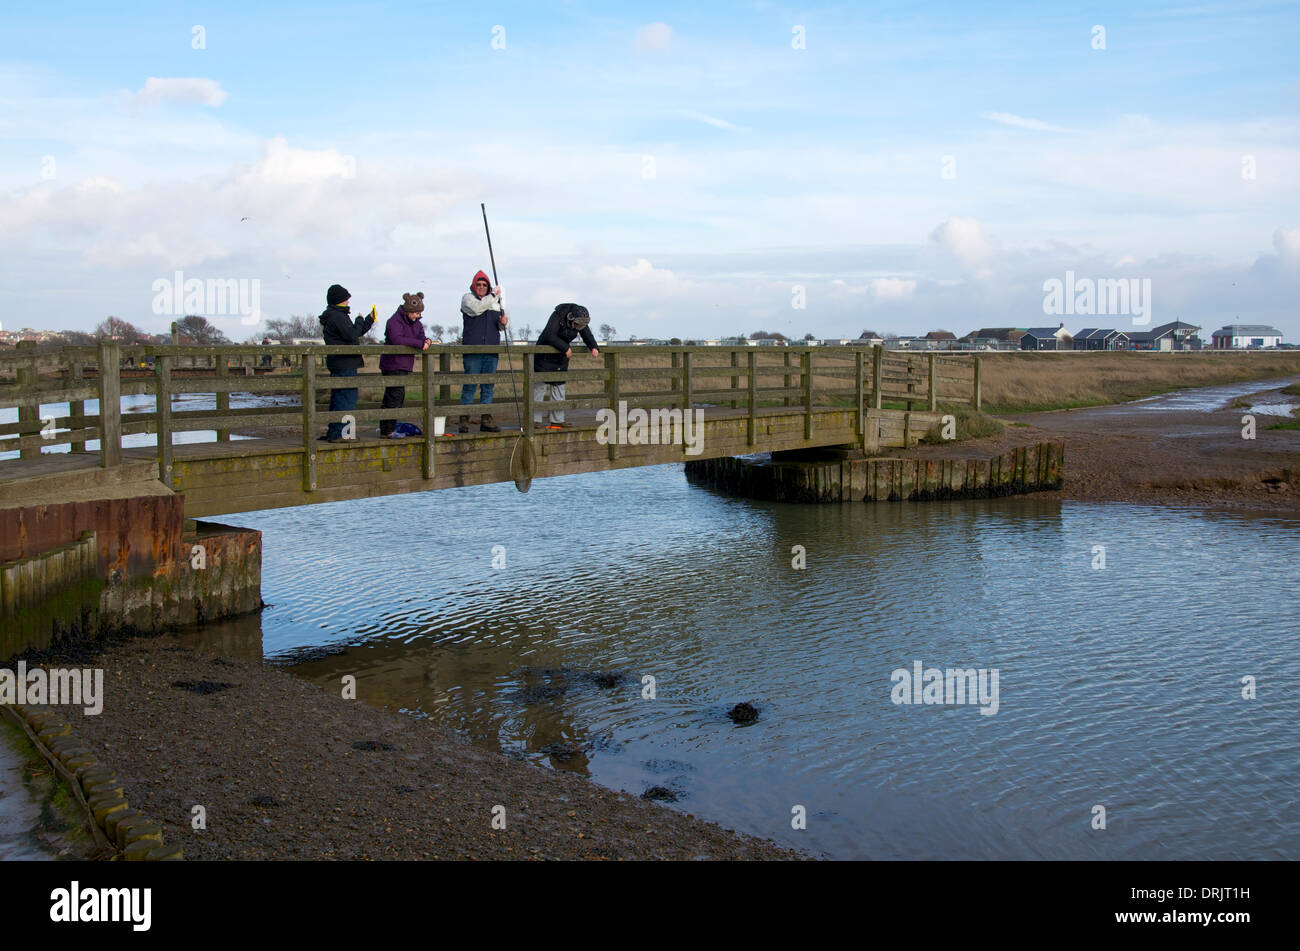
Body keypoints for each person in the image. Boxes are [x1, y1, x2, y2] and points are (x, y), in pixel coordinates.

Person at [317, 284, 377, 442]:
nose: (348, 301)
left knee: (338, 399)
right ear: (340, 300)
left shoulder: (335, 315)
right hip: (345, 363)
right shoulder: (338, 317)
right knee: (346, 399)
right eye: (346, 299)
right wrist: (359, 320)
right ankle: (341, 434)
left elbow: (354, 334)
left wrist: (368, 320)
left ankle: (334, 432)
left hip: (340, 363)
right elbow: (352, 336)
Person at [533, 303, 598, 429]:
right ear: (570, 318)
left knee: (558, 387)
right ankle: (534, 420)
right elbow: (549, 335)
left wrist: (594, 347)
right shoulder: (558, 315)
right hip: (543, 355)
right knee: (538, 388)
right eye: (577, 325)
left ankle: (557, 420)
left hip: (560, 358)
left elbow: (587, 335)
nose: (578, 328)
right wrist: (566, 347)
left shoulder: (580, 320)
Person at [459, 270, 508, 433]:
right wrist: (494, 295)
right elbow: (476, 310)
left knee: (488, 386)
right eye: (478, 284)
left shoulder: (496, 301)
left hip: (491, 350)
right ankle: (464, 420)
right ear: (474, 285)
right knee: (470, 385)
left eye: (484, 285)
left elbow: (503, 324)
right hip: (473, 350)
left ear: (488, 286)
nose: (481, 287)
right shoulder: (468, 298)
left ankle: (486, 420)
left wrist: (503, 322)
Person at [378, 292, 430, 437]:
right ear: (407, 311)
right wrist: (420, 343)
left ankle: (388, 428)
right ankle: (387, 430)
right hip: (392, 364)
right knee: (393, 396)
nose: (417, 316)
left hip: (404, 364)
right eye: (414, 313)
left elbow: (421, 336)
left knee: (397, 397)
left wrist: (426, 341)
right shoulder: (394, 321)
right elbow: (397, 339)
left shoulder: (416, 323)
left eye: (419, 313)